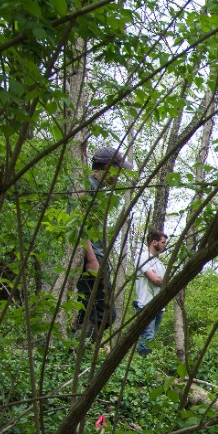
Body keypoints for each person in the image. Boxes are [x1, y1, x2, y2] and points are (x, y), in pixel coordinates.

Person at [75, 146, 133, 343]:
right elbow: (78, 224)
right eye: (119, 170)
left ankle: (75, 349)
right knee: (105, 313)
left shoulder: (98, 190)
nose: (119, 176)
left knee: (91, 311)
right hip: (92, 258)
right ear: (109, 166)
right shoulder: (87, 186)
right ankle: (77, 350)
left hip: (98, 255)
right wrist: (91, 259)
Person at [132, 230, 167, 355]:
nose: (165, 245)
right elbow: (156, 280)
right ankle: (142, 364)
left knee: (150, 339)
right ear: (154, 242)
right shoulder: (143, 257)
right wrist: (167, 281)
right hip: (146, 304)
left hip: (159, 306)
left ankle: (144, 364)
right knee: (148, 337)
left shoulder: (160, 264)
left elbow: (163, 282)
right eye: (163, 242)